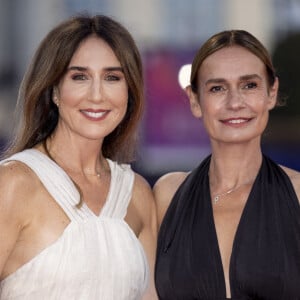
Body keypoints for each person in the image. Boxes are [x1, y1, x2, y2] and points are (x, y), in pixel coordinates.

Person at [0, 14, 157, 299]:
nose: (97, 95)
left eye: (112, 77)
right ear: (55, 90)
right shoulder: (13, 183)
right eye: (80, 77)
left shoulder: (138, 194)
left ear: (128, 92)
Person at [154, 30, 300, 299]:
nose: (235, 102)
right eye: (217, 88)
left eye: (249, 85)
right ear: (195, 100)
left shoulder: (298, 194)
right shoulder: (166, 195)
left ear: (271, 92)